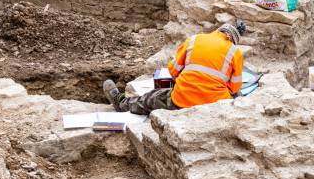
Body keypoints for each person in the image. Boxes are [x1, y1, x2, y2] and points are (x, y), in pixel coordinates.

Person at [103, 24, 245, 115]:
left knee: (149, 99)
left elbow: (173, 71)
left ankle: (121, 103)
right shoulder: (235, 53)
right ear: (233, 41)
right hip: (215, 106)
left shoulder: (195, 39)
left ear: (217, 31)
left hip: (182, 99)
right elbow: (234, 88)